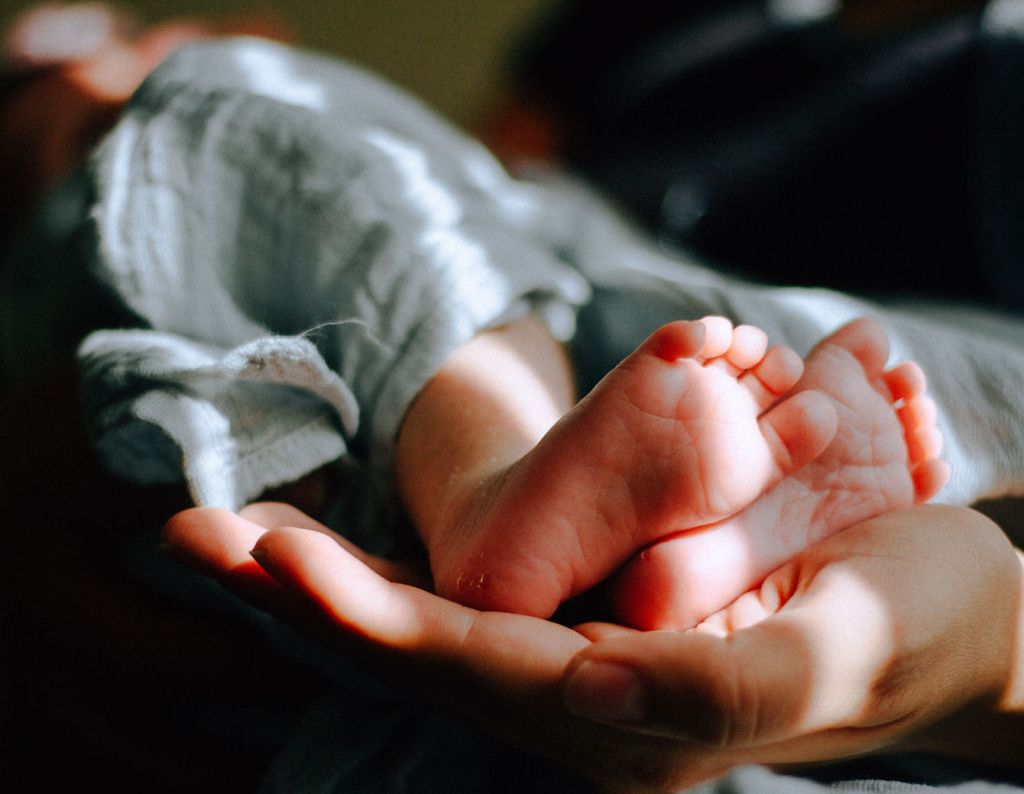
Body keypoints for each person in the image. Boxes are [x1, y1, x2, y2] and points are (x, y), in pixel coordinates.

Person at [4, 29, 1024, 794]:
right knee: (240, 108)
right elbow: (484, 175)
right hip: (451, 415)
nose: (84, 56)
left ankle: (527, 494)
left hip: (613, 382)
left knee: (261, 111)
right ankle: (563, 508)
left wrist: (995, 660)